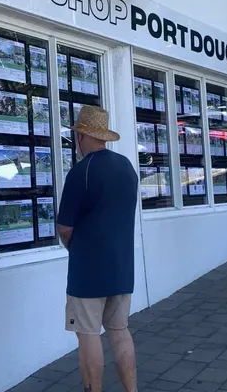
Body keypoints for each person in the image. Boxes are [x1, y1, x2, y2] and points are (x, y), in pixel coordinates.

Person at [57, 105, 139, 392]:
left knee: (88, 334)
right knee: (120, 331)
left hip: (87, 269)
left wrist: (73, 247)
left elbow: (65, 228)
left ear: (81, 136)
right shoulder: (127, 166)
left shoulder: (81, 172)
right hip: (122, 265)